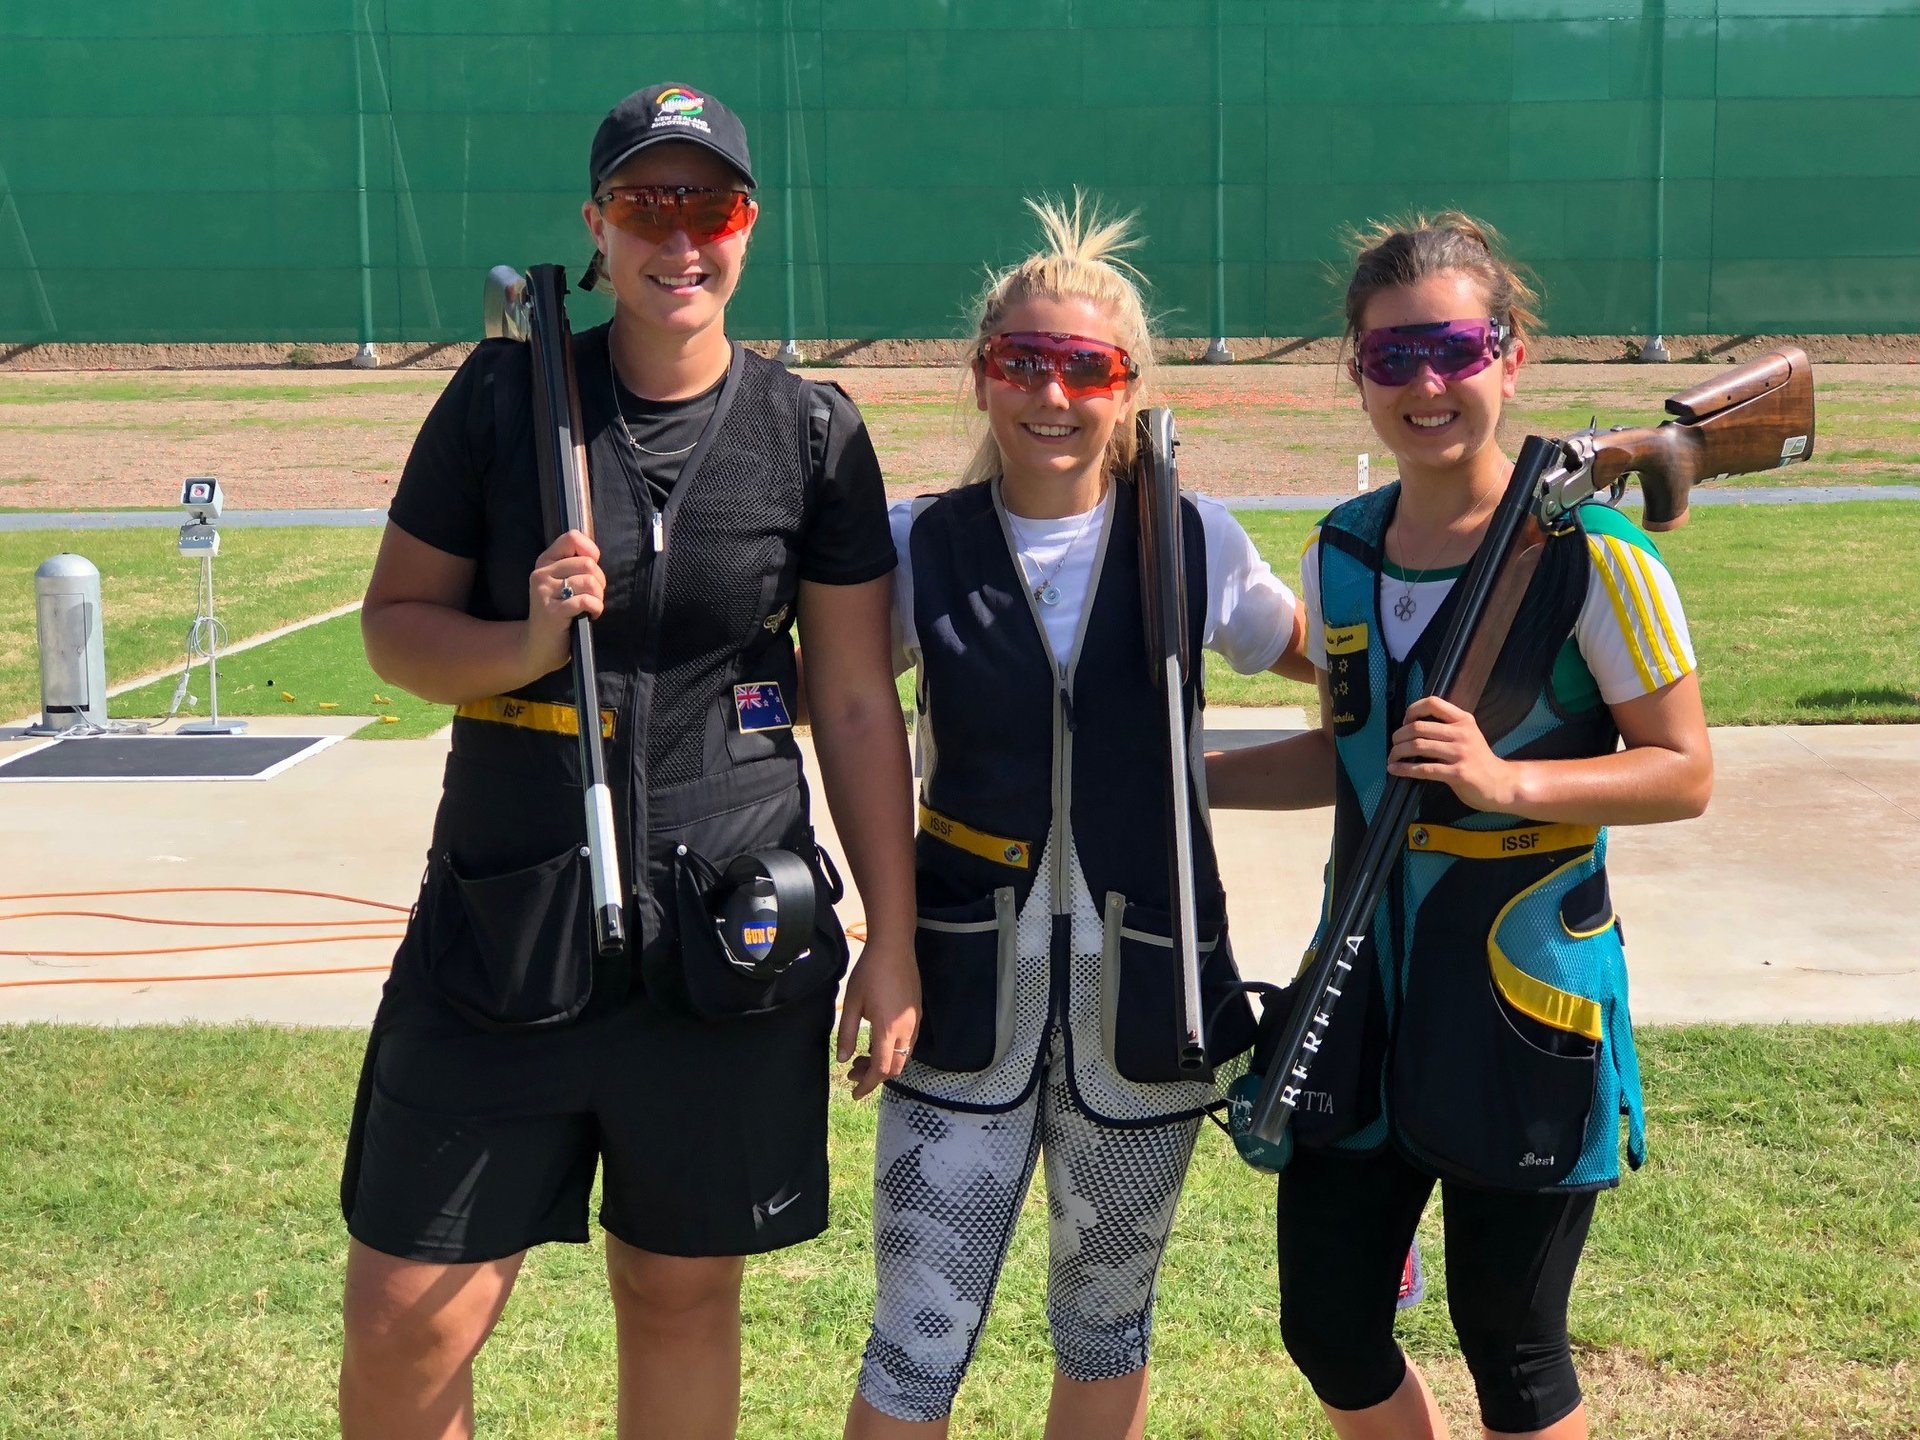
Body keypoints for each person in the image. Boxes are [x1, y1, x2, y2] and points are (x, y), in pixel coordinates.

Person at [338, 83, 918, 1440]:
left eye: (709, 205)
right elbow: (395, 630)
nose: (680, 237)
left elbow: (850, 702)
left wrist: (889, 939)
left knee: (678, 1291)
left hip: (726, 931)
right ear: (596, 227)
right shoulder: (504, 401)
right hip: (505, 926)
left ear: (749, 224)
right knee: (411, 1311)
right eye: (646, 205)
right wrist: (527, 641)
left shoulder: (813, 432)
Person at [1209, 213, 1713, 1440]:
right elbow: (1350, 761)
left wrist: (1508, 783)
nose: (1425, 384)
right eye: (1393, 356)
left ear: (1511, 356)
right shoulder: (1341, 551)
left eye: (1455, 349)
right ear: (1357, 373)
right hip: (1358, 989)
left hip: (1521, 986)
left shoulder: (1598, 556)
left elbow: (1684, 771)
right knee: (1329, 1326)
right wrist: (1180, 781)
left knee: (1513, 1347)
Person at [843, 195, 1313, 1440]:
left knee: (1108, 1325)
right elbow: (832, 704)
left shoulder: (1195, 541)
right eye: (1022, 362)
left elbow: (1346, 674)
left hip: (1147, 1003)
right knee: (913, 1339)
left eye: (1086, 368)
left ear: (1130, 387)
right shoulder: (917, 546)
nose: (1052, 395)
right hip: (957, 996)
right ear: (980, 375)